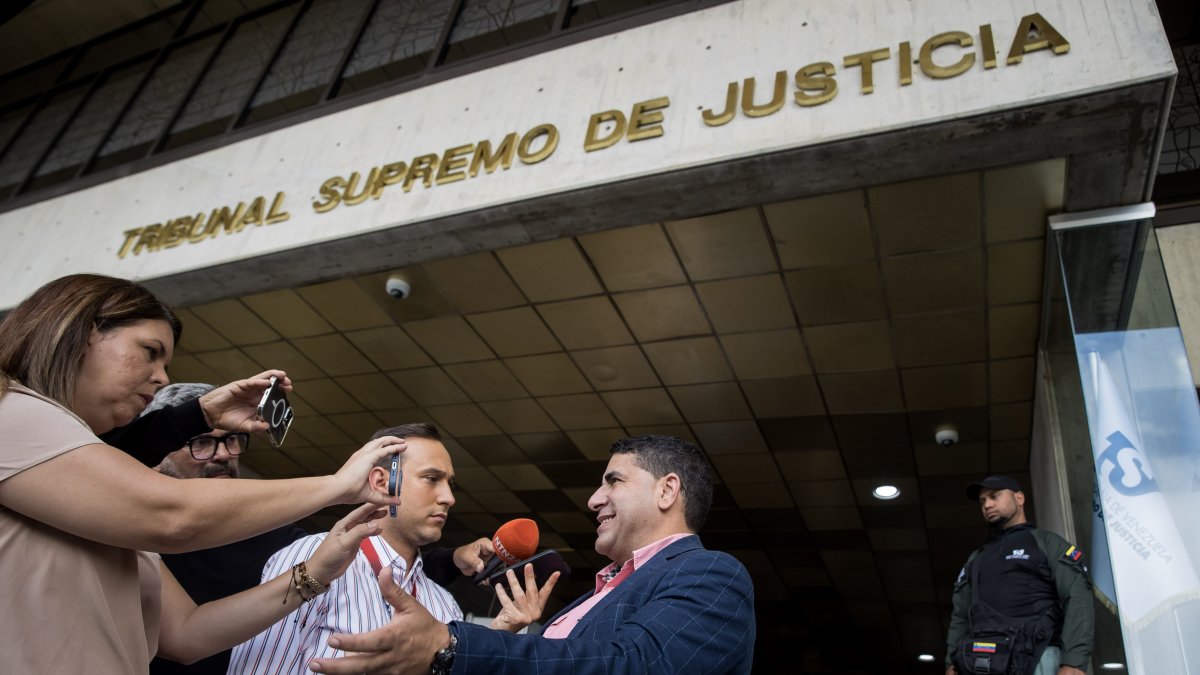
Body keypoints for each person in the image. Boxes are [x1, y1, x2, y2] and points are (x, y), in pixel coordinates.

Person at [0, 273, 405, 674]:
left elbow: (187, 635)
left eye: (166, 362)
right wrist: (338, 485)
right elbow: (170, 517)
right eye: (149, 351)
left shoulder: (95, 504)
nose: (161, 377)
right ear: (79, 332)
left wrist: (315, 572)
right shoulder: (10, 410)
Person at [306, 434, 757, 675]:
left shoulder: (711, 574)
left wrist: (454, 646)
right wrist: (505, 634)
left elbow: (638, 666)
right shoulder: (602, 591)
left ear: (668, 490)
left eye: (613, 481)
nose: (594, 500)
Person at [230, 423, 559, 674]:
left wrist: (500, 632)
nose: (449, 497)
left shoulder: (443, 604)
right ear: (380, 482)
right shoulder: (313, 558)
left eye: (450, 483)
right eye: (432, 478)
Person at [944, 475, 1094, 675]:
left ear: (1019, 498)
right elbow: (960, 614)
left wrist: (1074, 663)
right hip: (981, 662)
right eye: (982, 501)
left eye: (994, 496)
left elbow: (1078, 598)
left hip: (1038, 657)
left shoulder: (1047, 543)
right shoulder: (976, 558)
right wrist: (950, 663)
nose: (987, 505)